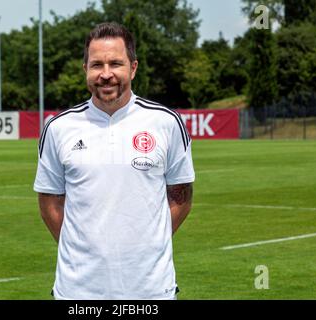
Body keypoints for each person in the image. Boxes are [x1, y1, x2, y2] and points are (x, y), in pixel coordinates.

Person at [34, 22, 195, 300]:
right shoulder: (58, 128)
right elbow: (49, 203)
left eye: (115, 64)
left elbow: (181, 198)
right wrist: (83, 251)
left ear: (132, 68)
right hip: (77, 292)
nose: (106, 75)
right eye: (97, 65)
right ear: (85, 69)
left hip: (150, 291)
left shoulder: (166, 123)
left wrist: (145, 246)